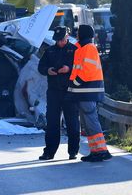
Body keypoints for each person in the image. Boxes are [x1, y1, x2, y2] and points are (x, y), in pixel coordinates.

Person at [67, 24, 112, 162]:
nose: (77, 35)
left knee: (91, 122)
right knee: (88, 123)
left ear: (83, 34)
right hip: (84, 91)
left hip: (87, 91)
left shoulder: (88, 48)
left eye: (78, 33)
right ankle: (96, 151)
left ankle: (102, 151)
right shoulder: (82, 48)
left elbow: (87, 71)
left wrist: (74, 83)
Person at [37, 26, 80, 161]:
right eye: (57, 40)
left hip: (70, 91)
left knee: (72, 123)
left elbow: (81, 68)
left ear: (67, 37)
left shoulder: (74, 50)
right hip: (54, 92)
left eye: (61, 39)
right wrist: (48, 70)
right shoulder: (49, 51)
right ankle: (49, 152)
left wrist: (69, 69)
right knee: (52, 123)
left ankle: (73, 151)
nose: (59, 42)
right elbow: (41, 67)